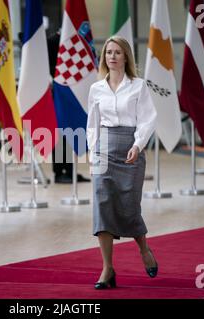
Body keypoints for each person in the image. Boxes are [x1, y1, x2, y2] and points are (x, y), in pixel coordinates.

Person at [86, 36, 158, 289]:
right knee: (102, 205)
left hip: (131, 147)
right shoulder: (96, 89)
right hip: (103, 150)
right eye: (108, 53)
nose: (112, 56)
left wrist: (137, 145)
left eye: (117, 52)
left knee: (129, 206)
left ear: (125, 56)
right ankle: (107, 268)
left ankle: (144, 249)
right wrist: (93, 150)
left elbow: (148, 119)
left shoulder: (138, 86)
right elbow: (92, 123)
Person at [47, 30, 90, 184]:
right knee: (60, 133)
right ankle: (59, 173)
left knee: (72, 130)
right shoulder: (53, 41)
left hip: (73, 91)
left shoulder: (76, 40)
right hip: (58, 92)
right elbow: (46, 64)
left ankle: (71, 171)